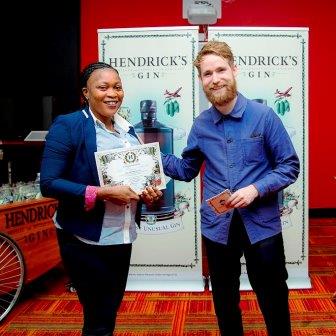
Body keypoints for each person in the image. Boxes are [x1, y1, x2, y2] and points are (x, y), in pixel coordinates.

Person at [162, 41, 300, 336]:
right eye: (207, 74)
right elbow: (186, 169)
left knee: (273, 295)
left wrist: (256, 189)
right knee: (224, 298)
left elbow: (289, 166)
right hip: (217, 226)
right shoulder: (201, 125)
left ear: (234, 70)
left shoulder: (264, 116)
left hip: (261, 226)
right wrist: (151, 157)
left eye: (220, 70)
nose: (215, 78)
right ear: (201, 81)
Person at [40, 62, 162, 336]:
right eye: (103, 87)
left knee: (108, 312)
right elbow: (48, 183)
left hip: (122, 235)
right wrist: (102, 192)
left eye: (117, 87)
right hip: (84, 238)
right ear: (86, 92)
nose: (112, 93)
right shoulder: (69, 125)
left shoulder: (127, 131)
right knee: (97, 319)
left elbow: (135, 180)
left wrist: (148, 192)